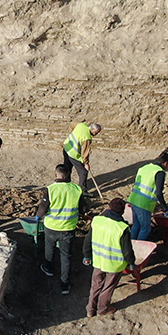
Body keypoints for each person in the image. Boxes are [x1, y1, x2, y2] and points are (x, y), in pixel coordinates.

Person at [34, 163, 85, 294]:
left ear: (56, 175)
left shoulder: (50, 189)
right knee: (66, 256)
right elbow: (84, 209)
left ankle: (49, 269)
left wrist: (38, 216)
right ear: (68, 175)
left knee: (49, 248)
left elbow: (43, 207)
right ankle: (64, 284)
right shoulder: (77, 189)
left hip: (51, 226)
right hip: (68, 228)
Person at [83, 198, 135, 317]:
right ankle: (102, 309)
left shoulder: (97, 221)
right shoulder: (122, 228)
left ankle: (90, 309)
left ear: (109, 208)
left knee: (96, 285)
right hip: (114, 264)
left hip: (98, 260)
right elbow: (127, 250)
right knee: (108, 287)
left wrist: (87, 255)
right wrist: (131, 263)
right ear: (122, 212)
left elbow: (88, 241)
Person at [127, 152, 168, 241]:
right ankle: (138, 249)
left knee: (136, 226)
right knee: (145, 228)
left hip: (133, 199)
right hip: (144, 203)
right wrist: (165, 208)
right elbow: (159, 193)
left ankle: (130, 245)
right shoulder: (159, 172)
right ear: (166, 163)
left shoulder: (145, 167)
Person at [61, 122, 101, 191]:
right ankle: (83, 189)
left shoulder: (81, 125)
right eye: (96, 133)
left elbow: (72, 124)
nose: (96, 134)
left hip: (66, 148)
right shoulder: (87, 138)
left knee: (67, 168)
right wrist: (86, 163)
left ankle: (65, 185)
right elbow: (85, 152)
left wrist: (73, 132)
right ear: (92, 130)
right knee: (83, 171)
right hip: (73, 154)